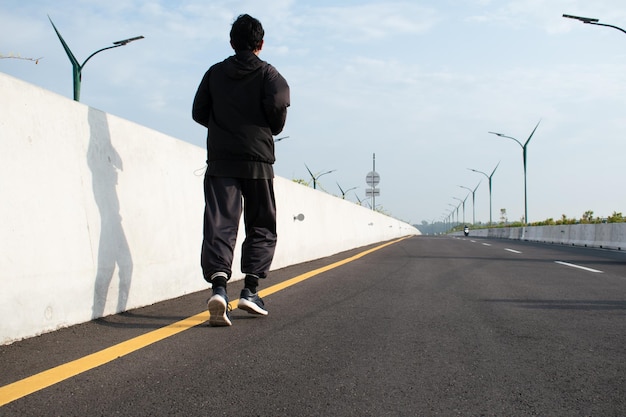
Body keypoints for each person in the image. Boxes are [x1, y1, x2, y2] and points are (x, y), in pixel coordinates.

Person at [192, 14, 290, 327]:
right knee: (261, 223)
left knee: (220, 222)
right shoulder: (269, 74)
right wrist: (262, 129)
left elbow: (198, 112)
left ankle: (219, 288)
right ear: (261, 43)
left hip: (221, 160)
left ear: (232, 43)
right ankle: (249, 291)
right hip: (258, 160)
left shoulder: (214, 73)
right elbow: (277, 113)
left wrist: (224, 129)